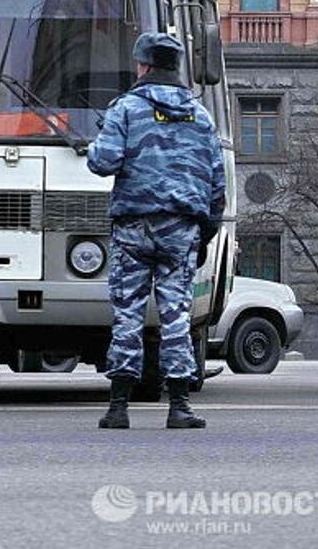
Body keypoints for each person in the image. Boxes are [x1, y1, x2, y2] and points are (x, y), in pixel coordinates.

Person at [86, 31, 226, 431]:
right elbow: (217, 184)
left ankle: (118, 408)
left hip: (133, 227)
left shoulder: (126, 109)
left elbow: (103, 162)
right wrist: (207, 233)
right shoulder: (201, 116)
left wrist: (93, 147)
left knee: (127, 315)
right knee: (177, 315)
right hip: (181, 229)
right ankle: (179, 406)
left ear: (143, 66)